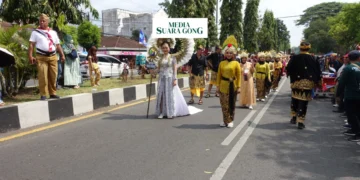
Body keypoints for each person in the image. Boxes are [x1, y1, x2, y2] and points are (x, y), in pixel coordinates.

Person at [28, 13, 65, 100]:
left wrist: (62, 55)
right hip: (41, 57)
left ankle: (52, 93)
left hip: (53, 56)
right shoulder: (35, 32)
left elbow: (58, 45)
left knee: (53, 76)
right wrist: (30, 56)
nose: (41, 22)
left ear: (47, 22)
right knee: (43, 76)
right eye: (40, 21)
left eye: (43, 21)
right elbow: (31, 45)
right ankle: (43, 94)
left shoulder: (53, 32)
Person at [286, 41, 322, 129]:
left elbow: (288, 68)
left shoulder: (295, 57)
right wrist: (318, 82)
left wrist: (293, 75)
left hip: (296, 83)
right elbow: (318, 71)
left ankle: (294, 118)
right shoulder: (313, 58)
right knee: (303, 102)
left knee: (295, 100)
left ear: (300, 48)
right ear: (309, 48)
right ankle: (300, 122)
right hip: (307, 84)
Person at [155, 39, 190, 119]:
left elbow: (175, 69)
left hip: (170, 78)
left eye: (166, 47)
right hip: (161, 79)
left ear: (169, 48)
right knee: (161, 95)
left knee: (169, 95)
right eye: (163, 48)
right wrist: (152, 72)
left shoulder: (173, 58)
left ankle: (169, 112)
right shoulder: (160, 59)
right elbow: (158, 69)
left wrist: (175, 79)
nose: (165, 49)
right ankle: (161, 112)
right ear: (161, 48)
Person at [336, 50, 360, 142]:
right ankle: (354, 130)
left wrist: (338, 94)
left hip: (351, 95)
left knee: (351, 114)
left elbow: (342, 83)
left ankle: (357, 133)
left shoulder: (348, 69)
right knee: (358, 114)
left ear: (349, 58)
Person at [216, 43, 241, 128]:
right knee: (223, 104)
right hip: (223, 85)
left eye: (230, 53)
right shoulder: (222, 63)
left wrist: (239, 87)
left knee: (231, 104)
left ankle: (230, 120)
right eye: (227, 53)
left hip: (232, 86)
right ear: (225, 54)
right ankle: (225, 120)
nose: (229, 54)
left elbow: (239, 76)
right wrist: (217, 86)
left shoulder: (236, 63)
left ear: (233, 54)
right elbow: (219, 75)